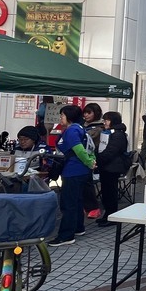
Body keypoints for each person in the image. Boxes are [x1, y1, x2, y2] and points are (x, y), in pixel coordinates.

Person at [49, 105, 95, 247]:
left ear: (69, 117)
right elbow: (90, 148)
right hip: (81, 171)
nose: (60, 118)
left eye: (62, 115)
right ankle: (78, 228)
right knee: (77, 201)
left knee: (68, 203)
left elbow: (79, 150)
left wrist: (89, 162)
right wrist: (91, 162)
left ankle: (66, 236)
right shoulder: (80, 128)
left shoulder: (72, 131)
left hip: (73, 170)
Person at [95, 111, 128, 227]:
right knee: (106, 192)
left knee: (110, 193)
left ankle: (111, 216)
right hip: (107, 166)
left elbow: (111, 152)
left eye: (107, 120)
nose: (104, 122)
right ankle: (107, 215)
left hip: (112, 167)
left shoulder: (117, 135)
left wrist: (98, 159)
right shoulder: (110, 133)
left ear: (113, 121)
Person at [82, 103, 104, 219]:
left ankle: (93, 208)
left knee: (87, 183)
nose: (86, 115)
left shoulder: (98, 128)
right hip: (83, 159)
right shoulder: (83, 126)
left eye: (89, 113)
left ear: (96, 113)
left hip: (92, 160)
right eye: (85, 112)